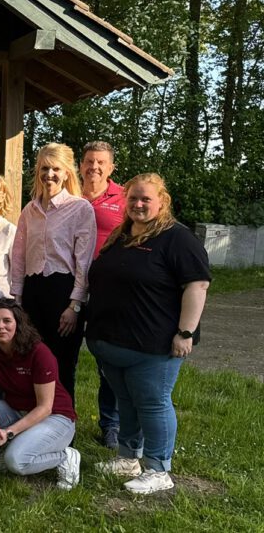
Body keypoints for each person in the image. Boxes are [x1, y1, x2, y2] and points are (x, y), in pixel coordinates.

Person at [87, 173, 210, 494]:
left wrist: (186, 331)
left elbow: (197, 285)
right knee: (127, 401)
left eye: (146, 199)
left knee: (153, 403)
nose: (138, 204)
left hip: (153, 345)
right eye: (132, 198)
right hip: (112, 341)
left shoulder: (177, 239)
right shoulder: (121, 234)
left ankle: (159, 468)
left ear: (162, 201)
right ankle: (128, 457)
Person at [0, 298, 81, 490]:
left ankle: (65, 456)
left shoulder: (39, 352)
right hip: (16, 410)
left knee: (17, 462)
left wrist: (9, 432)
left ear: (18, 324)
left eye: (6, 321)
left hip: (55, 417)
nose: (0, 326)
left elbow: (45, 407)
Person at [10, 143, 96, 404]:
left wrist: (76, 305)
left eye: (55, 169)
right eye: (44, 168)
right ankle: (35, 422)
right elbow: (19, 256)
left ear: (67, 172)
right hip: (34, 291)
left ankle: (64, 426)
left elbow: (84, 261)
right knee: (33, 360)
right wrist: (17, 299)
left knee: (61, 364)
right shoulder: (29, 210)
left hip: (64, 294)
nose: (49, 174)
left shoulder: (80, 209)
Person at [79, 140, 126, 450]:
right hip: (68, 287)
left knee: (108, 360)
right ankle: (58, 415)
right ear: (80, 165)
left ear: (111, 168)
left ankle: (111, 424)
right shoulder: (67, 194)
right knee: (60, 356)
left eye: (100, 162)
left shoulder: (124, 198)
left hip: (108, 291)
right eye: (89, 161)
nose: (94, 167)